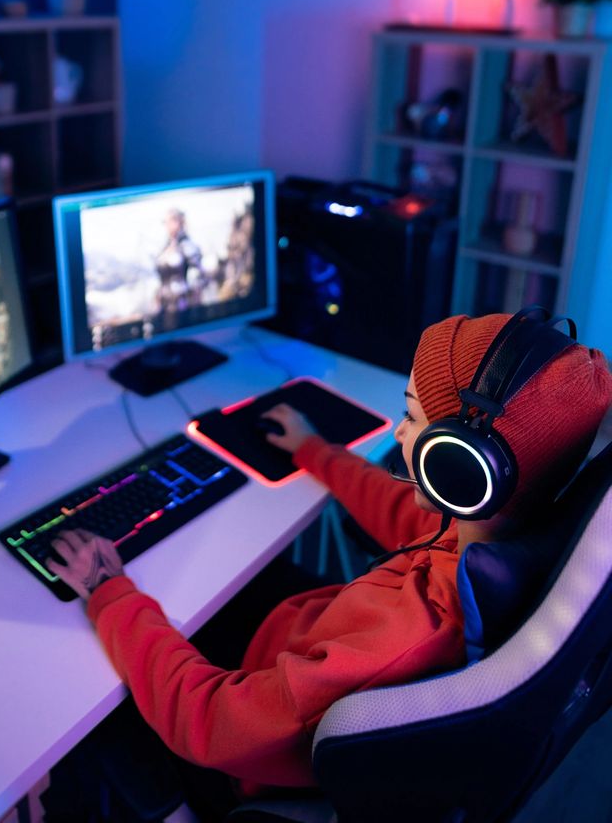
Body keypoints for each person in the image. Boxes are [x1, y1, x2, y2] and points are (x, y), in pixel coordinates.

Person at [43, 312, 612, 819]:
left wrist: (108, 588)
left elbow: (206, 720)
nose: (397, 432)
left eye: (414, 419)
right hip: (298, 641)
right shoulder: (501, 534)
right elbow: (404, 516)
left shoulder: (400, 638)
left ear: (459, 467)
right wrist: (313, 452)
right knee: (236, 582)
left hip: (241, 740)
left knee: (86, 718)